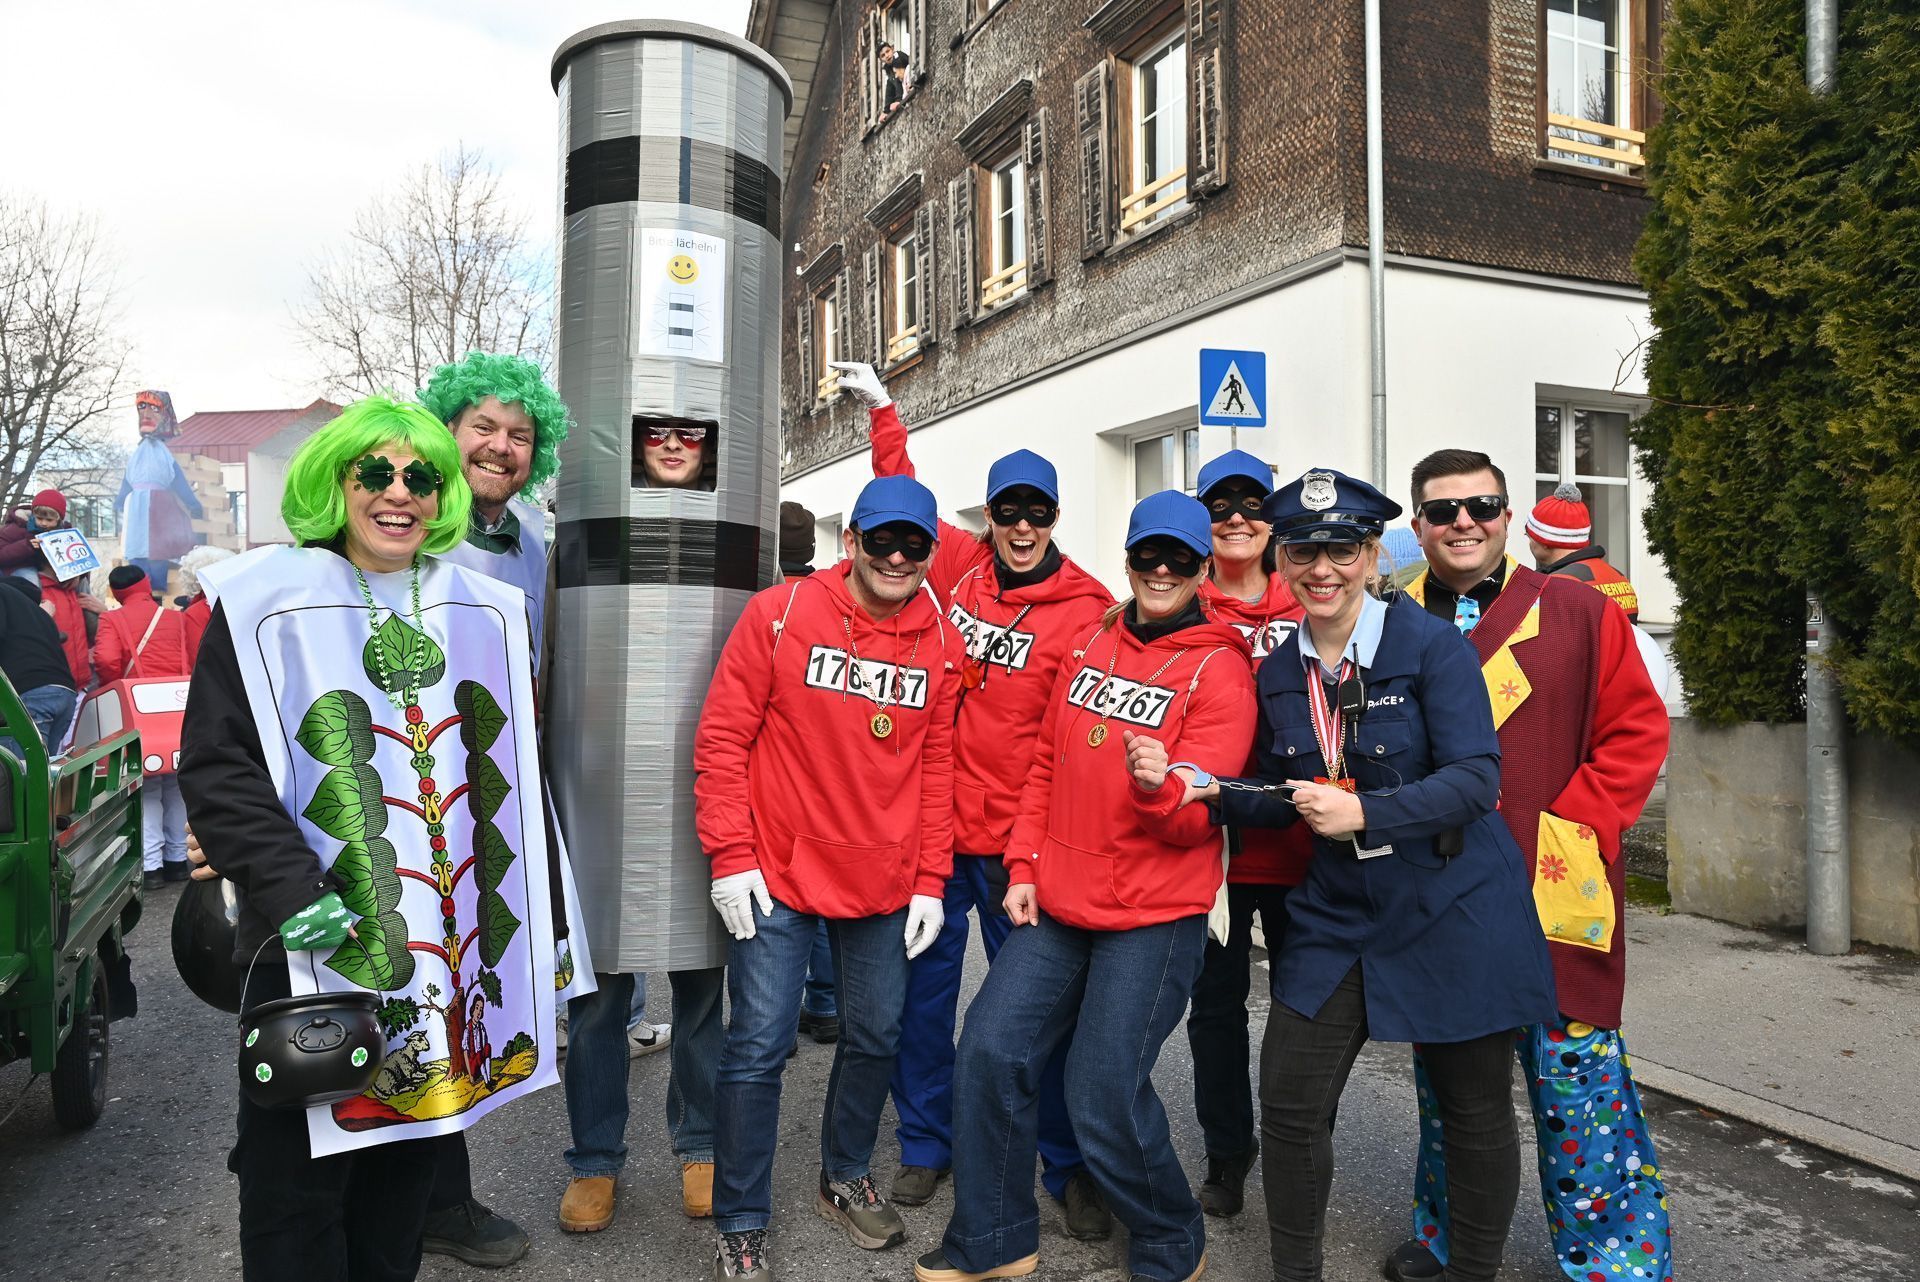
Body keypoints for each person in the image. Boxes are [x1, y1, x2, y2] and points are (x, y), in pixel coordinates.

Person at [179, 395, 562, 1282]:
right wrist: (294, 896)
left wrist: (543, 925)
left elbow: (509, 774)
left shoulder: (484, 609)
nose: (402, 495)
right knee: (297, 1186)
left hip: (439, 960)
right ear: (336, 483)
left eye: (422, 476)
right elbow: (219, 767)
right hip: (308, 954)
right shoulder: (263, 601)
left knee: (404, 1172)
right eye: (377, 474)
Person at [1174, 466, 1557, 1282]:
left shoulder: (1430, 646)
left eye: (1341, 549)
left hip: (1452, 902)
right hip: (1339, 911)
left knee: (1473, 1110)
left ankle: (1472, 1274)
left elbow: (1477, 780)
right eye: (1305, 550)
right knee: (1289, 1104)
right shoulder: (1279, 669)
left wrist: (1368, 814)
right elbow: (1285, 794)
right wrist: (1204, 790)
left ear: (1372, 557)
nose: (1322, 569)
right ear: (1282, 561)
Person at [914, 490, 1253, 1282]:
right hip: (1061, 899)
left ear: (1204, 569)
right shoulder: (1097, 637)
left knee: (1101, 1089)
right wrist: (1024, 866)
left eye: (1180, 560)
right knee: (990, 1053)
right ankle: (995, 1241)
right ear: (1129, 560)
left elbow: (1197, 815)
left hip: (1154, 913)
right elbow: (1044, 766)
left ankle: (1170, 1237)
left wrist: (1157, 786)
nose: (1161, 571)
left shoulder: (1218, 669)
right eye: (1148, 556)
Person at [835, 359, 1115, 1232]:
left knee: (1038, 1016)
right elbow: (898, 495)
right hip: (934, 837)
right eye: (1008, 512)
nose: (1022, 527)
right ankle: (926, 1146)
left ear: (1055, 518)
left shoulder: (1090, 606)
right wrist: (886, 411)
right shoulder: (954, 566)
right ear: (986, 520)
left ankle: (1064, 1164)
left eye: (1037, 512)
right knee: (924, 1004)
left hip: (1019, 846)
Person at [1388, 450, 1671, 1282]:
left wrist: (1569, 835)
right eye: (1442, 511)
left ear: (1509, 518)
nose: (1463, 522)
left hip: (1554, 900)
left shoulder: (1577, 611)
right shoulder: (1389, 623)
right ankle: (1445, 1241)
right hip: (1438, 903)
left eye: (1481, 505)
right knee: (1452, 1093)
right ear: (1419, 528)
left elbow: (1634, 734)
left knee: (1578, 1091)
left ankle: (1617, 1262)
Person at [694, 473, 960, 1279]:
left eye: (915, 545)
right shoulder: (778, 615)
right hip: (776, 873)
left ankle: (843, 1176)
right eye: (881, 540)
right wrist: (730, 855)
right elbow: (722, 739)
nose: (897, 557)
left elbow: (938, 766)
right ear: (853, 543)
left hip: (882, 881)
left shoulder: (941, 642)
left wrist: (931, 880)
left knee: (875, 1035)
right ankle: (740, 1216)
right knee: (758, 1047)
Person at [544, 405, 730, 1232]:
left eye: (690, 435)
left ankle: (702, 1146)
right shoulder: (580, 543)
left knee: (699, 989)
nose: (673, 446)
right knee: (598, 997)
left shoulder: (731, 540)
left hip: (701, 796)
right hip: (602, 797)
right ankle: (595, 1160)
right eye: (658, 433)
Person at [1186, 450, 1309, 1216]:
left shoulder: (1315, 596)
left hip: (1303, 850)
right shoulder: (1179, 600)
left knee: (1305, 1016)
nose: (1237, 517)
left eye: (1252, 503)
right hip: (1216, 852)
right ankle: (1228, 1153)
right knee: (1217, 1014)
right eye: (1220, 503)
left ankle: (1300, 1147)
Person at [779, 499, 841, 1045]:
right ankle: (823, 1004)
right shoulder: (825, 598)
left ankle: (777, 1014)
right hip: (832, 779)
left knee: (789, 903)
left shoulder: (772, 601)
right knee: (823, 909)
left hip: (788, 783)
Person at [92, 564, 195, 889]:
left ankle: (151, 867)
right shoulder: (177, 619)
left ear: (116, 593)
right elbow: (193, 658)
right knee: (177, 786)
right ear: (147, 584)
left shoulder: (112, 619)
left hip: (138, 711)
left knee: (147, 787)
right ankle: (179, 861)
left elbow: (107, 661)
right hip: (179, 709)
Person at [1524, 481, 1669, 697]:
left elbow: (1549, 657)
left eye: (1530, 536)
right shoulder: (1617, 576)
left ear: (1544, 541)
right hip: (1621, 689)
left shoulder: (1558, 585)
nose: (1528, 542)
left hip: (1583, 695)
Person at [0, 489, 103, 689]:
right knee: (30, 585)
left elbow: (82, 559)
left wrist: (78, 575)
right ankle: (36, 615)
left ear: (60, 519)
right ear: (33, 514)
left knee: (83, 588)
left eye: (50, 519)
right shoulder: (16, 530)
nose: (45, 524)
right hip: (23, 568)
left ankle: (94, 628)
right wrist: (28, 546)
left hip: (76, 682)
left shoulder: (67, 532)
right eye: (40, 518)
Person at [0, 572, 78, 758]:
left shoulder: (2, 594)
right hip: (64, 694)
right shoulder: (39, 615)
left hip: (30, 693)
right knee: (40, 777)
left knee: (18, 780)